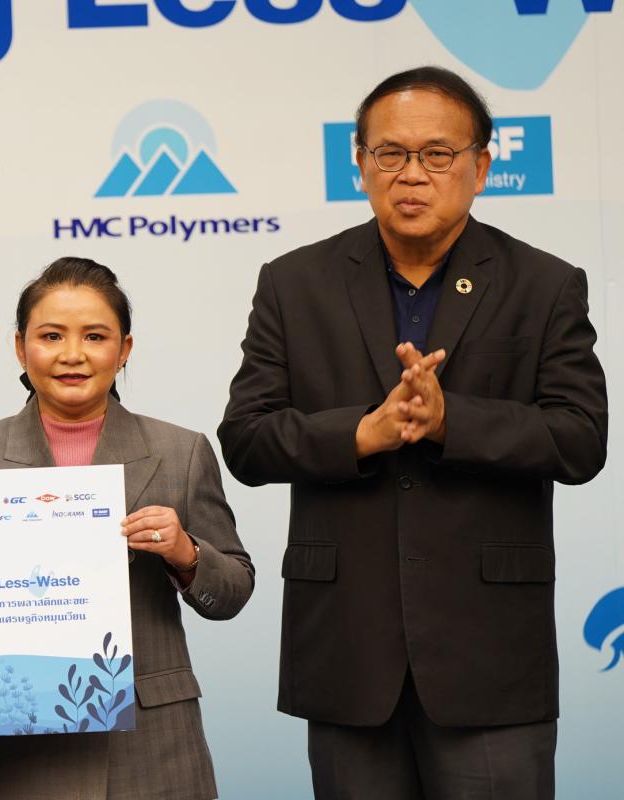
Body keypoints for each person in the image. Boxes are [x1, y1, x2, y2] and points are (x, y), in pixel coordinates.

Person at [218, 66, 608, 800]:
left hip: (489, 654)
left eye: (437, 154)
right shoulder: (294, 282)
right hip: (346, 647)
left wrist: (449, 421)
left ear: (480, 167)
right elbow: (244, 438)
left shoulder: (544, 284)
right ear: (360, 164)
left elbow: (581, 438)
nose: (412, 174)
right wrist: (359, 434)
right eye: (391, 153)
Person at [0, 257, 255, 799]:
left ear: (124, 349)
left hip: (152, 748)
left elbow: (233, 593)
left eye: (95, 336)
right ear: (20, 348)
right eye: (51, 335)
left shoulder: (181, 451)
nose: (72, 354)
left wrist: (186, 552)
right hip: (14, 751)